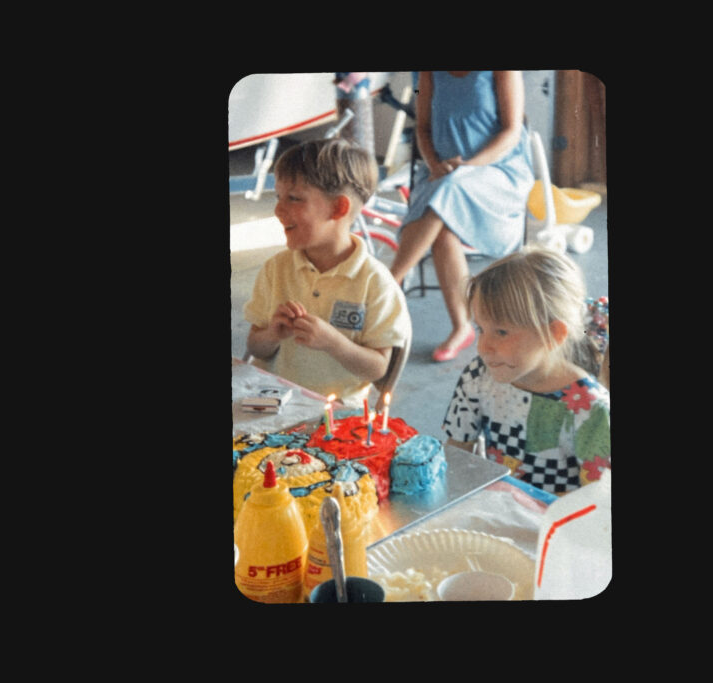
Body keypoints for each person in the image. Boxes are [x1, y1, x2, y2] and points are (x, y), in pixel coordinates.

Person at [244, 138, 411, 404]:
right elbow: (255, 348)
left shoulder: (375, 282)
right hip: (272, 400)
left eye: (294, 198)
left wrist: (334, 343)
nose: (278, 209)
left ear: (338, 208)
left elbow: (379, 369)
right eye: (278, 197)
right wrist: (272, 334)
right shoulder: (276, 268)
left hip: (337, 411)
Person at [388, 71, 535, 362]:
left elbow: (511, 133)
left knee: (447, 193)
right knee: (442, 224)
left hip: (498, 172)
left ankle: (388, 284)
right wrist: (434, 164)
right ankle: (461, 327)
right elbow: (423, 130)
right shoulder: (430, 73)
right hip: (442, 174)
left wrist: (467, 167)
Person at [442, 247, 610, 495]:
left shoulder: (591, 408)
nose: (483, 347)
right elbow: (456, 454)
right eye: (481, 329)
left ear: (553, 335)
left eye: (501, 332)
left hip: (560, 518)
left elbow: (598, 499)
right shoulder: (477, 376)